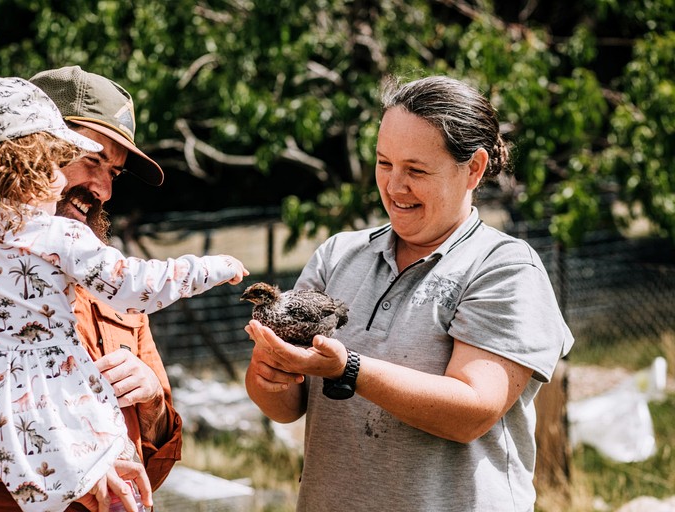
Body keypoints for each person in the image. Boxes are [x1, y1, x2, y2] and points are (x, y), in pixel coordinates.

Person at [0, 75, 247, 512]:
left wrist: (151, 404)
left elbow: (155, 461)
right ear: (27, 150)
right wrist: (73, 472)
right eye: (89, 159)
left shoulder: (101, 266)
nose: (104, 190)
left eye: (113, 172)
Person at [244, 75, 574, 511]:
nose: (395, 186)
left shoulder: (504, 268)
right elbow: (289, 407)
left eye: (416, 170)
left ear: (473, 168)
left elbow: (472, 411)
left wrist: (349, 370)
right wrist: (272, 371)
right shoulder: (338, 255)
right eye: (384, 164)